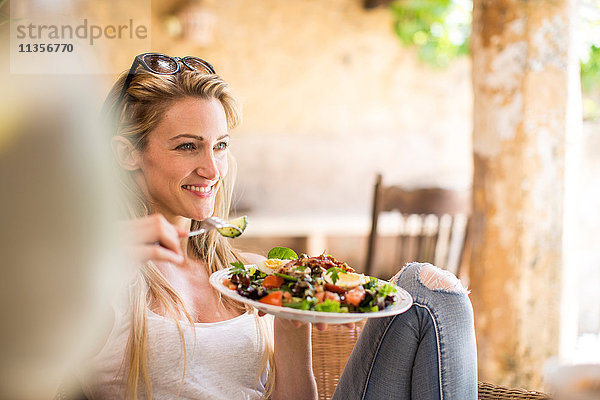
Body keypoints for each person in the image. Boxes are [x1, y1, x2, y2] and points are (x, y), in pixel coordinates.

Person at [77, 52, 477, 400]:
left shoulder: (247, 277)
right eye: (187, 146)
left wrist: (292, 318)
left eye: (220, 145)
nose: (212, 169)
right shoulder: (101, 275)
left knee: (431, 291)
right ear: (127, 154)